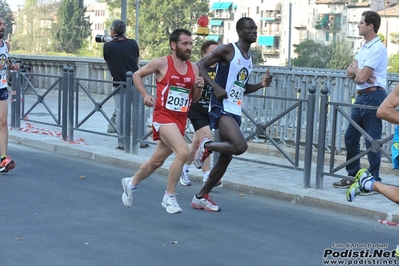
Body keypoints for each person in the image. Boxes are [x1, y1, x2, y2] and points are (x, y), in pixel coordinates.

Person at [190, 17, 272, 212]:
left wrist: (261, 84)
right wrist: (215, 86)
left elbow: (241, 87)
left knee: (226, 159)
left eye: (255, 29)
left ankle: (200, 197)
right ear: (240, 31)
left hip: (234, 108)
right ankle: (206, 145)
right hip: (221, 107)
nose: (254, 32)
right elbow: (199, 65)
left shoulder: (249, 58)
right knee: (240, 146)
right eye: (250, 29)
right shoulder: (228, 50)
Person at [120, 28, 204, 214]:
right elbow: (136, 75)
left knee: (156, 161)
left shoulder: (194, 68)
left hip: (180, 119)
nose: (189, 47)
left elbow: (195, 99)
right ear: (174, 45)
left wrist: (199, 87)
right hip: (163, 116)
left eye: (190, 44)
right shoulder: (162, 63)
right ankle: (169, 196)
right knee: (182, 152)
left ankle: (131, 183)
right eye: (184, 44)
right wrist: (145, 94)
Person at [333, 11, 387, 193]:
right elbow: (351, 72)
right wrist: (359, 73)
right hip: (362, 94)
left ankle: (373, 181)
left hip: (374, 95)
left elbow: (359, 75)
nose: (358, 25)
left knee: (372, 140)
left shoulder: (378, 48)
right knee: (351, 136)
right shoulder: (364, 48)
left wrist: (358, 74)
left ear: (370, 26)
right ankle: (354, 175)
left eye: (361, 22)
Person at [180, 40, 222, 187]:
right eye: (212, 52)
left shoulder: (222, 69)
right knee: (207, 141)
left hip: (210, 111)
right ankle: (207, 176)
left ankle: (184, 169)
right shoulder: (198, 67)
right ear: (204, 54)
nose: (216, 55)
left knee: (197, 143)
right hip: (196, 108)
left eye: (218, 52)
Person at [103, 19, 148, 150]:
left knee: (121, 111)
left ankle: (122, 142)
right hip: (135, 82)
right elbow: (137, 60)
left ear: (113, 30)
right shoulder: (133, 43)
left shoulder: (108, 46)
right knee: (139, 111)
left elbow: (108, 62)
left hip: (118, 82)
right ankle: (142, 140)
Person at [0, 17, 17, 173]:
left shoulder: (6, 45)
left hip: (2, 86)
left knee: (3, 122)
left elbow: (5, 63)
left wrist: (13, 66)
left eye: (4, 24)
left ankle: (3, 159)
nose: (3, 26)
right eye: (0, 24)